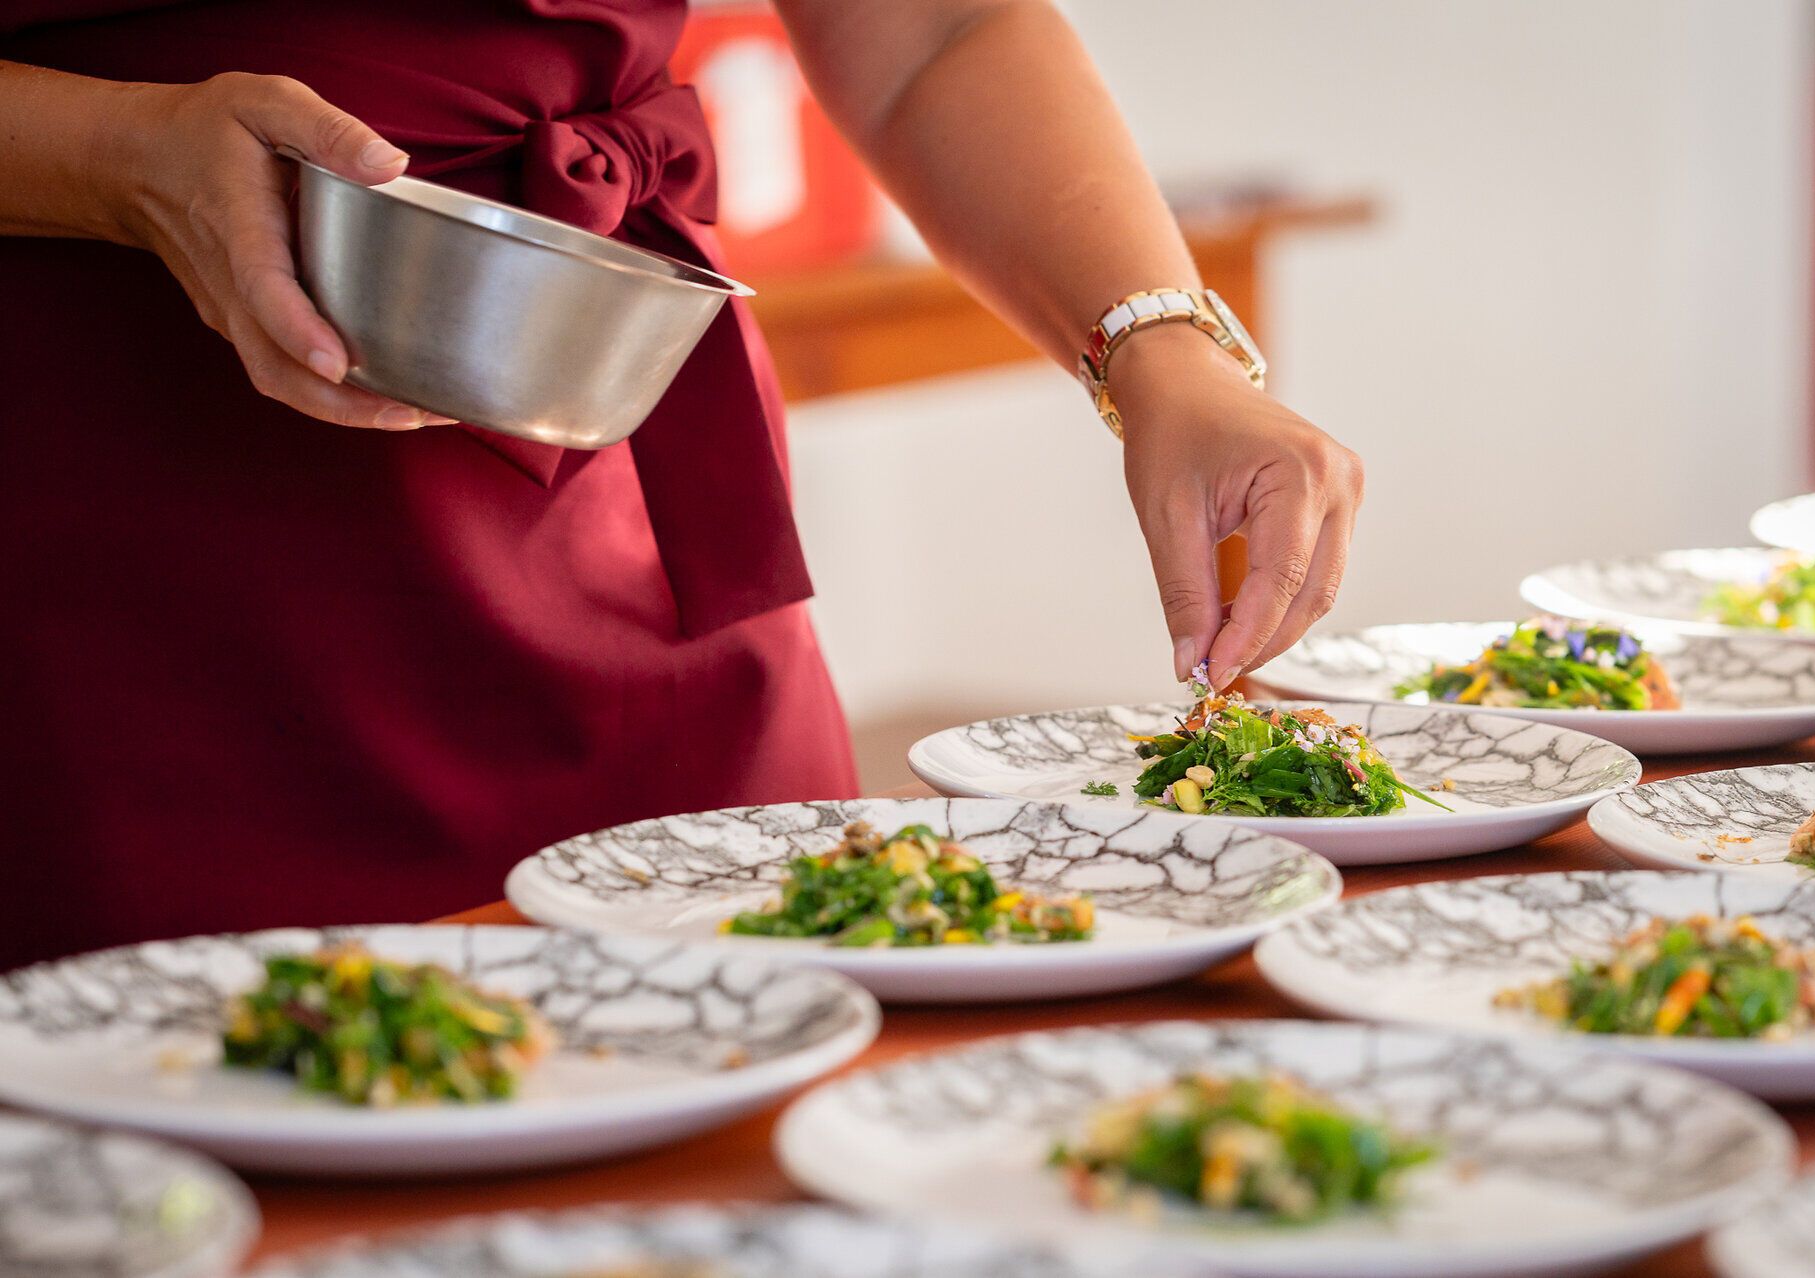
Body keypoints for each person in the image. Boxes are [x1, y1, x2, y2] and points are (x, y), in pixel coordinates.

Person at [0, 0, 1363, 968]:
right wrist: (120, 160)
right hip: (105, 533)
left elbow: (934, 29)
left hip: (619, 472)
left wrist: (1164, 351)